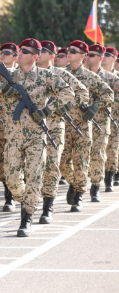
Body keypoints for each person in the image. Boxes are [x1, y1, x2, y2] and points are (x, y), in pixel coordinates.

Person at [0, 38, 74, 236]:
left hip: (36, 136)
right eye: (19, 50)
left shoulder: (46, 76)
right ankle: (27, 200)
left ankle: (26, 218)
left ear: (35, 56)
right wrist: (3, 89)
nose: (19, 53)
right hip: (13, 136)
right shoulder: (8, 74)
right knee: (12, 180)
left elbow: (68, 93)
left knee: (35, 177)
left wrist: (46, 111)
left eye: (25, 51)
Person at [36, 41, 88, 224]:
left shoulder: (60, 74)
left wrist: (59, 107)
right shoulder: (25, 74)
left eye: (43, 51)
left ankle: (47, 207)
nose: (39, 53)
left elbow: (81, 92)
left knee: (52, 165)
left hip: (54, 126)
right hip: (30, 129)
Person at [60, 40, 112, 212]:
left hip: (82, 126)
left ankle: (79, 196)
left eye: (73, 51)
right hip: (62, 125)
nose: (69, 53)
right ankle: (75, 183)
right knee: (62, 162)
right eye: (68, 50)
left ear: (82, 56)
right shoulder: (60, 74)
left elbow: (108, 93)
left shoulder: (90, 77)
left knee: (81, 161)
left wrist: (96, 106)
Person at [85, 43, 119, 202]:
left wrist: (107, 103)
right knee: (80, 155)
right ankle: (76, 184)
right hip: (82, 121)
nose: (87, 57)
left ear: (100, 57)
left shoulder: (111, 78)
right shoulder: (80, 75)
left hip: (103, 120)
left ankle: (97, 186)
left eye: (91, 55)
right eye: (87, 54)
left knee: (100, 153)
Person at [0, 42, 19, 212]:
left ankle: (10, 197)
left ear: (16, 57)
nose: (3, 55)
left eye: (7, 53)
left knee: (12, 163)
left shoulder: (21, 75)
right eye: (2, 52)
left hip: (16, 128)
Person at [102, 47, 119, 191]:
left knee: (112, 149)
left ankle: (109, 178)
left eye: (108, 55)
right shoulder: (96, 75)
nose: (104, 57)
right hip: (99, 118)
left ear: (114, 58)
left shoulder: (116, 78)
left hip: (115, 118)